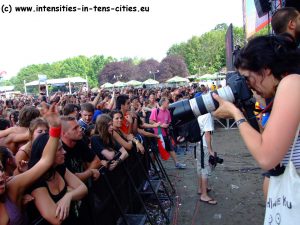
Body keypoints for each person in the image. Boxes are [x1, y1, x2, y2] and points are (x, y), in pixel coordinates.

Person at [212, 35, 300, 199]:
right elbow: (268, 141)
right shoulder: (288, 86)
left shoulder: (292, 83)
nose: (248, 86)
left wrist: (235, 113)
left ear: (265, 70)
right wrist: (246, 110)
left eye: (247, 78)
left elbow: (266, 157)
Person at [0, 103, 61, 225]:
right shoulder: (15, 137)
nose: (0, 175)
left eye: (1, 169)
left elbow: (45, 162)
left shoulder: (11, 187)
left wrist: (55, 127)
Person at [27, 133, 88, 225]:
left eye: (62, 148)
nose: (64, 152)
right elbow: (56, 219)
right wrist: (70, 190)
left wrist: (69, 196)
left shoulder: (59, 167)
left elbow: (83, 189)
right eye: (59, 149)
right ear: (47, 154)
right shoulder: (36, 181)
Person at [149, 97, 186, 169]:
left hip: (165, 134)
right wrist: (160, 125)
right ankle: (152, 167)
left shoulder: (168, 111)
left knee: (171, 149)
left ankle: (177, 163)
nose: (169, 104)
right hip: (157, 135)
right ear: (163, 103)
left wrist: (166, 125)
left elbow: (169, 122)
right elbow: (150, 121)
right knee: (156, 151)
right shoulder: (155, 111)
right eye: (167, 103)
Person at [196, 113, 217, 205]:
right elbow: (207, 133)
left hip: (198, 144)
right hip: (204, 146)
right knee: (205, 169)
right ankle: (204, 195)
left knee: (200, 166)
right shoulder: (207, 115)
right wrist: (210, 149)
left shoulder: (198, 113)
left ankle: (201, 188)